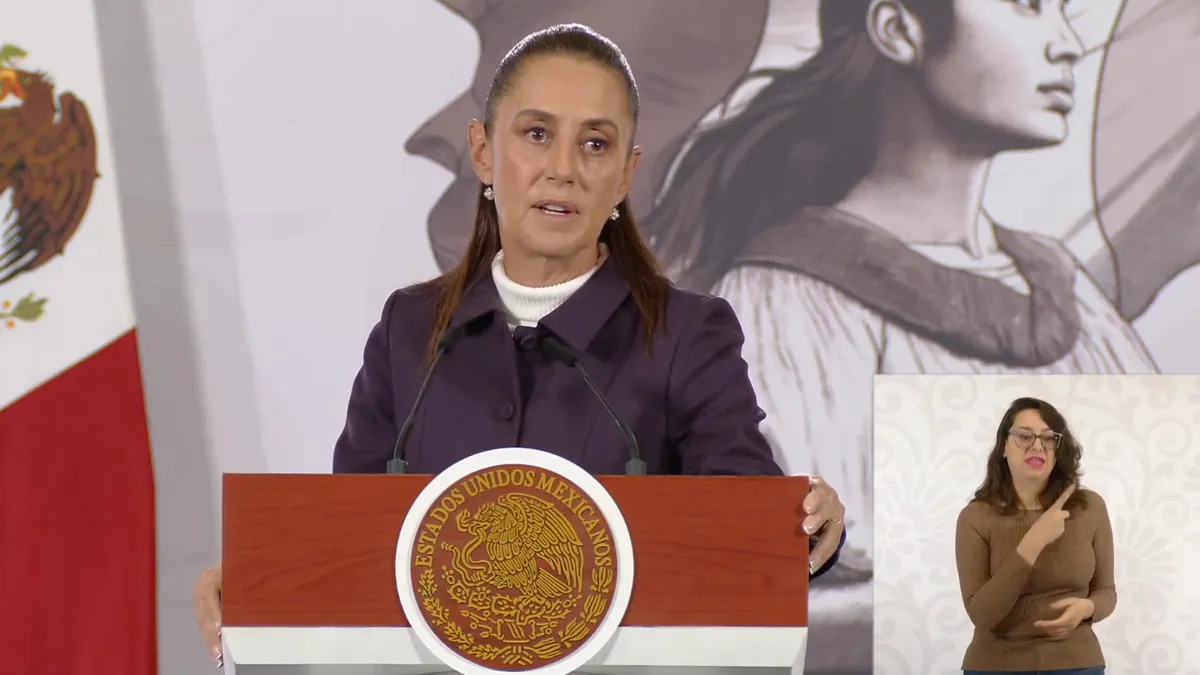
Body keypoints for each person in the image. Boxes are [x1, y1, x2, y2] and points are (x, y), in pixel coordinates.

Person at [192, 23, 849, 667]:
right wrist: (257, 579)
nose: (563, 169)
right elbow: (352, 540)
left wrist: (810, 528)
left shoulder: (686, 333)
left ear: (625, 173)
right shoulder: (410, 329)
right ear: (483, 151)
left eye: (595, 144)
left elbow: (748, 534)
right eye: (537, 134)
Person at [955, 397, 1116, 675]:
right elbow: (981, 615)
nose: (1037, 445)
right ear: (1004, 447)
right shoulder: (975, 517)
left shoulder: (1090, 507)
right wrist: (1033, 541)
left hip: (1077, 663)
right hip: (995, 665)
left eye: (1048, 437)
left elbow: (1106, 592)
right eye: (1024, 436)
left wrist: (1087, 608)